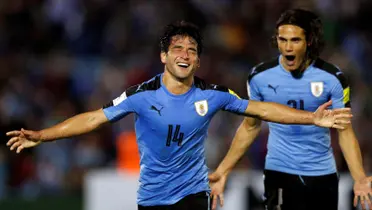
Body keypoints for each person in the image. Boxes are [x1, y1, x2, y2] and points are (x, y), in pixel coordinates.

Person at [6, 20, 351, 210]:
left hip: (193, 195)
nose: (185, 54)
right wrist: (41, 135)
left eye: (192, 50)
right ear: (164, 57)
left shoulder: (213, 94)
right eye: (178, 48)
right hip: (152, 199)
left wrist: (312, 118)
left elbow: (261, 108)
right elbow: (93, 118)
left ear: (198, 61)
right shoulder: (141, 95)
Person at [208, 9, 372, 210]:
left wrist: (360, 178)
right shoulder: (259, 77)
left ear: (309, 41)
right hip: (279, 172)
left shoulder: (333, 79)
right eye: (282, 40)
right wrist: (223, 171)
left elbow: (345, 131)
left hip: (321, 173)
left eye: (295, 40)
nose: (287, 47)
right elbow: (250, 127)